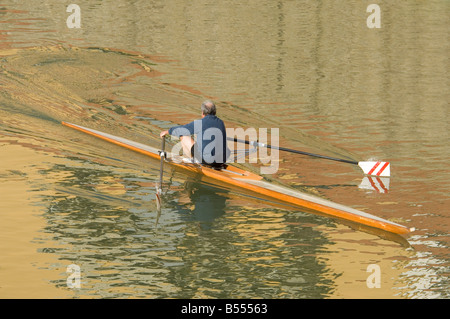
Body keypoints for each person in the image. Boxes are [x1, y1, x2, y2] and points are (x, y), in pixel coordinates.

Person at [160, 100, 230, 168]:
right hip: (221, 160)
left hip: (207, 160)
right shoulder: (221, 122)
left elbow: (183, 130)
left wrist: (167, 132)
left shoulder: (200, 123)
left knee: (183, 136)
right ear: (214, 112)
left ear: (203, 113)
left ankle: (194, 160)